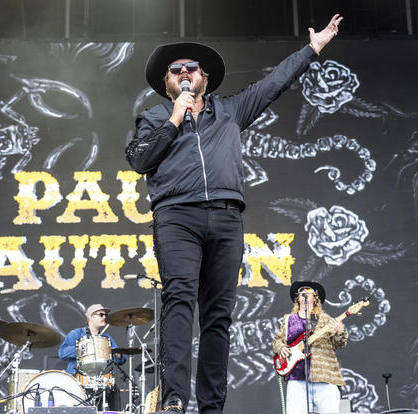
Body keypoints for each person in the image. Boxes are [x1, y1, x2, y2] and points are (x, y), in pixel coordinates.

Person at [125, 14, 343, 414]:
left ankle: (212, 406)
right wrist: (175, 118)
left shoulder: (230, 112)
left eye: (192, 69)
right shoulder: (154, 118)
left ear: (204, 77)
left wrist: (313, 49)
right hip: (177, 216)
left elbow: (273, 84)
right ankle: (174, 400)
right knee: (178, 302)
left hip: (226, 217)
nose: (185, 74)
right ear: (167, 82)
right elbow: (140, 160)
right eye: (176, 71)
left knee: (218, 317)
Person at [272, 281, 348, 414]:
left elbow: (338, 344)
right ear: (298, 298)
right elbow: (277, 341)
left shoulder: (324, 319)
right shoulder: (288, 319)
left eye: (309, 292)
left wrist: (340, 332)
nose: (305, 293)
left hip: (324, 377)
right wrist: (281, 348)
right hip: (297, 378)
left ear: (315, 298)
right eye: (302, 292)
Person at [58, 304, 126, 410]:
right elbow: (62, 353)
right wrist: (85, 347)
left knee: (114, 389)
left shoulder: (106, 338)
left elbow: (121, 360)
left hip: (100, 380)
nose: (104, 317)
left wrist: (117, 354)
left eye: (105, 315)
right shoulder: (76, 334)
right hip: (78, 379)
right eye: (101, 314)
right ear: (91, 317)